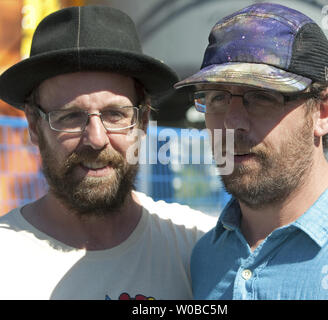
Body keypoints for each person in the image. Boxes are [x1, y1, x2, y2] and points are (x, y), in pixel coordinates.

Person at [0, 5, 216, 300]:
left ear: (141, 121)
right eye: (70, 116)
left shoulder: (199, 247)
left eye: (115, 114)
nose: (96, 138)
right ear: (35, 126)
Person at [174, 3, 328, 299]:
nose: (232, 123)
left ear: (323, 112)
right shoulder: (204, 259)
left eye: (261, 96)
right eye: (217, 97)